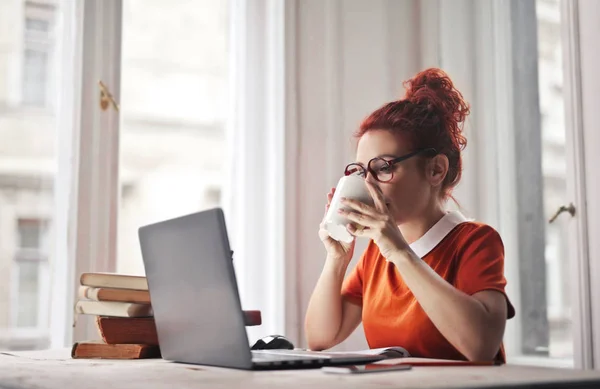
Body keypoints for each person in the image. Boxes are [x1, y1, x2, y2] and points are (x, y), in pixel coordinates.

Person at [304, 68, 515, 363]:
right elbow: (320, 338)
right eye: (362, 171)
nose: (368, 185)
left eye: (384, 167)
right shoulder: (377, 255)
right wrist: (337, 258)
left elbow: (480, 346)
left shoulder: (475, 241)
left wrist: (400, 252)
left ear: (435, 170)